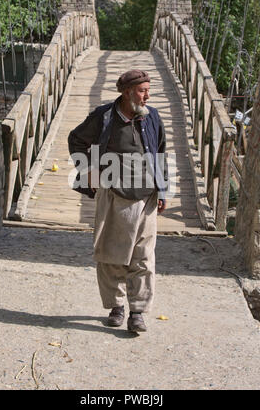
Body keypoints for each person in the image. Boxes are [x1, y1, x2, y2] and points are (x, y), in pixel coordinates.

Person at [68, 69, 167, 333]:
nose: (147, 95)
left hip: (146, 197)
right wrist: (89, 171)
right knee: (111, 256)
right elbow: (76, 140)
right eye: (141, 90)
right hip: (113, 195)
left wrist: (164, 190)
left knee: (144, 257)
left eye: (148, 90)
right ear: (126, 93)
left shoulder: (152, 117)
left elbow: (159, 153)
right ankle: (117, 306)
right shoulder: (104, 117)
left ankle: (137, 311)